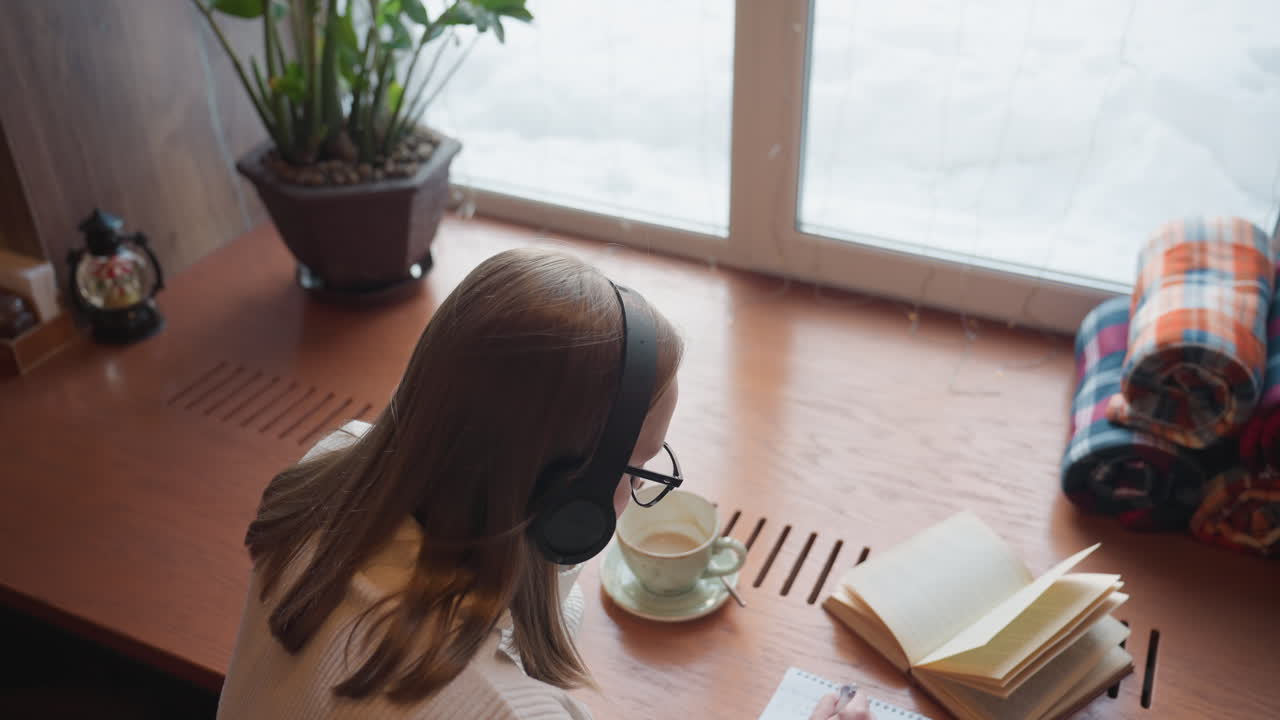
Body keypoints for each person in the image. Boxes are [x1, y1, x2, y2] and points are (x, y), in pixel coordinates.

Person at [216, 247, 870, 719]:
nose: (634, 493)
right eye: (638, 470)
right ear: (569, 509)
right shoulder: (502, 708)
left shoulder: (331, 471)